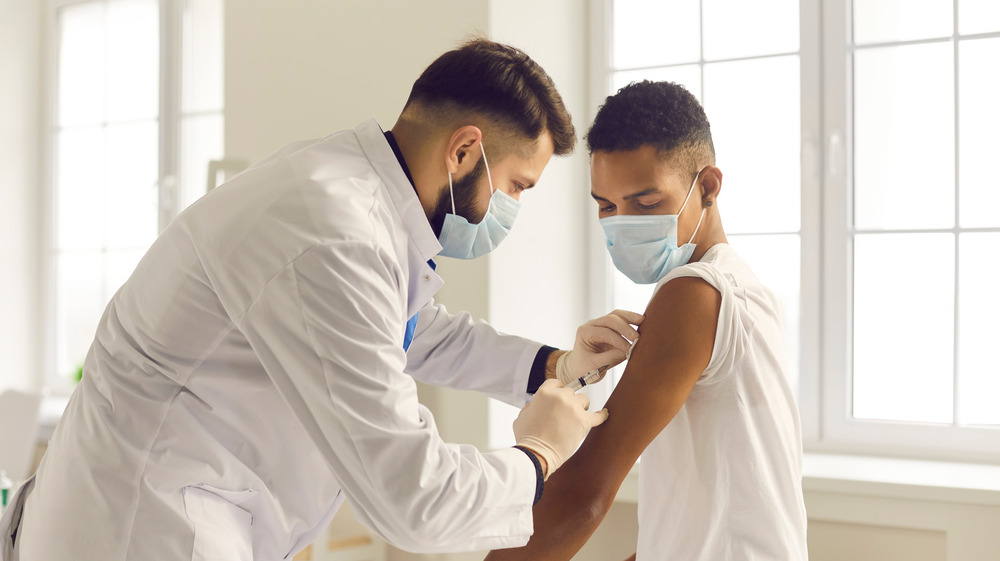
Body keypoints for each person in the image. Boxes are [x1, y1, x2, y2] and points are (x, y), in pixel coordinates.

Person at [0, 39, 642, 561]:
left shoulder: (344, 191)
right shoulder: (334, 233)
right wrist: (539, 454)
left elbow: (412, 330)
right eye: (515, 187)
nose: (511, 211)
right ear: (465, 149)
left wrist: (557, 366)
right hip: (146, 529)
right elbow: (415, 503)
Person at [485, 80, 808, 560]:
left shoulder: (694, 294)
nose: (623, 222)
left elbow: (585, 490)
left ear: (709, 186)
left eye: (646, 202)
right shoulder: (739, 285)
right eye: (606, 206)